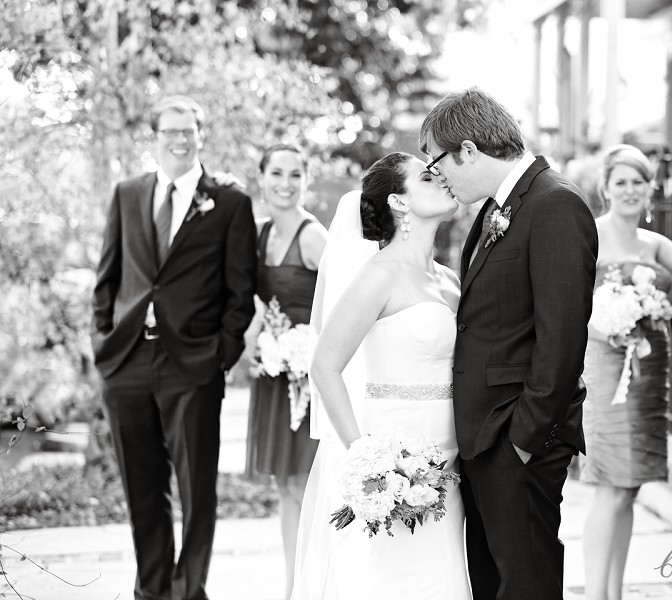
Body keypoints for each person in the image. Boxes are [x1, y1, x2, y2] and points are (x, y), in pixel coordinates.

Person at [419, 88, 598, 600]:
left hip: (516, 438)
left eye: (438, 162)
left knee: (527, 585)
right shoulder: (498, 209)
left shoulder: (555, 204)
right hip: (486, 437)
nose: (440, 177)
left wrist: (523, 439)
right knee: (495, 583)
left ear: (469, 150)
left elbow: (562, 339)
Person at [91, 95, 257, 600]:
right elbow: (107, 278)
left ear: (200, 134)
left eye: (188, 130)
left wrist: (219, 356)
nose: (180, 140)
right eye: (170, 131)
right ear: (155, 136)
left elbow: (240, 291)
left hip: (194, 363)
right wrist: (103, 343)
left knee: (196, 488)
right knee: (143, 487)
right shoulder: (127, 193)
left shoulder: (229, 201)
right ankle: (152, 589)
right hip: (128, 361)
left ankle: (189, 591)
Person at [291, 152, 470, 600]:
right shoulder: (379, 275)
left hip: (450, 458)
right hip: (396, 457)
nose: (443, 180)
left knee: (443, 576)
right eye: (428, 177)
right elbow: (325, 365)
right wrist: (365, 456)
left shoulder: (449, 280)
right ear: (399, 202)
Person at [581, 145, 672, 600]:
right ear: (605, 188)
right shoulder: (590, 236)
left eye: (638, 181)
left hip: (647, 374)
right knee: (609, 487)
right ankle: (596, 594)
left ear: (650, 190)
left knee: (630, 487)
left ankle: (614, 593)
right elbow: (567, 304)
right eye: (621, 181)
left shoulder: (656, 245)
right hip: (605, 371)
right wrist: (608, 332)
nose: (630, 190)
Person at [242, 144, 327, 599]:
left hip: (309, 380)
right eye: (277, 173)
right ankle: (294, 584)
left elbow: (340, 306)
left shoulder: (314, 238)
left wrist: (307, 349)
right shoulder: (258, 235)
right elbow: (260, 305)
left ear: (306, 181)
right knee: (286, 487)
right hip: (275, 376)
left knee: (308, 484)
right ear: (262, 177)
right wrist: (254, 345)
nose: (286, 183)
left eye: (296, 175)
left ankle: (314, 584)